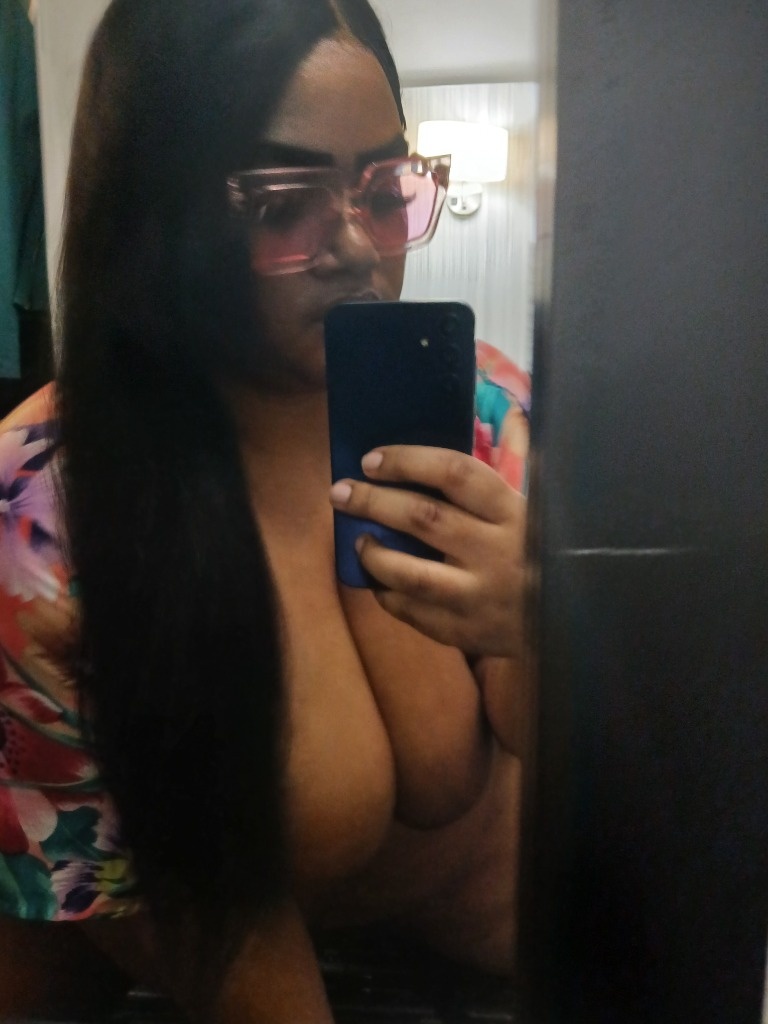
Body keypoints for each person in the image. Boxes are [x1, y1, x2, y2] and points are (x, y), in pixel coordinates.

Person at [0, 0, 532, 1020]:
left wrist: (545, 626)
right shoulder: (43, 522)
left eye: (386, 188)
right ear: (158, 218)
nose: (359, 249)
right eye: (285, 203)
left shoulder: (480, 415)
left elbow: (604, 768)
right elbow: (210, 928)